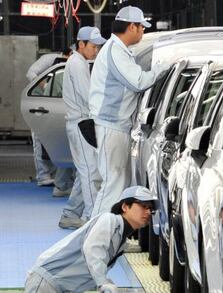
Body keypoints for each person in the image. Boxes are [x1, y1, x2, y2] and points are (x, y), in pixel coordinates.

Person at [89, 5, 169, 217]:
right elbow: (138, 81)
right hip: (111, 126)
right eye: (142, 27)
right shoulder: (115, 51)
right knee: (112, 186)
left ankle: (108, 237)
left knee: (117, 185)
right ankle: (93, 237)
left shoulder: (120, 51)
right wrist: (161, 69)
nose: (143, 31)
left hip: (117, 126)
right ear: (132, 27)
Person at [24, 185, 158, 293]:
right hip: (47, 282)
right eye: (143, 205)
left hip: (61, 287)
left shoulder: (121, 241)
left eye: (150, 209)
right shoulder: (108, 220)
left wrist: (105, 283)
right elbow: (93, 250)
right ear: (124, 207)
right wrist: (103, 282)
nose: (148, 212)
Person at [58, 26, 106, 229]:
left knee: (83, 171)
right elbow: (88, 96)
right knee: (89, 172)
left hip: (80, 122)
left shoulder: (79, 62)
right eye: (93, 46)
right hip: (81, 122)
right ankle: (92, 219)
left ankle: (70, 214)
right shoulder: (77, 64)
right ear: (81, 44)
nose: (95, 50)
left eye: (97, 46)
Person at [26, 48, 76, 197]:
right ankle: (42, 176)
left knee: (56, 143)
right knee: (39, 141)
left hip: (57, 105)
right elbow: (30, 73)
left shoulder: (72, 66)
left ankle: (57, 178)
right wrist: (46, 86)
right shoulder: (50, 60)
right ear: (68, 53)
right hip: (40, 103)